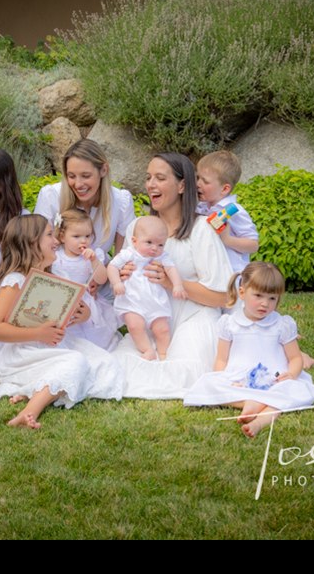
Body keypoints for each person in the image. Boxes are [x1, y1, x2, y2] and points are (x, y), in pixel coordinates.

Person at [0, 214, 124, 429]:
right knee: (75, 362)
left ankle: (34, 388)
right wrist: (38, 333)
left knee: (104, 362)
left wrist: (81, 314)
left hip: (53, 345)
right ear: (32, 243)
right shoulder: (15, 281)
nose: (56, 241)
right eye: (49, 235)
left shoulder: (51, 273)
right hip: (26, 352)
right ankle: (30, 411)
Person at [114, 153, 232, 399]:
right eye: (148, 178)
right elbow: (124, 270)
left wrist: (171, 283)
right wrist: (124, 275)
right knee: (123, 369)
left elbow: (223, 297)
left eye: (160, 178)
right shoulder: (137, 226)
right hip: (151, 319)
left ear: (181, 186)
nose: (151, 185)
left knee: (184, 372)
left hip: (193, 316)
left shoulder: (201, 229)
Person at [184, 261, 314, 438]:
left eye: (272, 298)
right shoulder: (230, 324)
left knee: (294, 390)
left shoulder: (281, 325)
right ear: (242, 292)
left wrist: (292, 375)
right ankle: (250, 402)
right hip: (238, 378)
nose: (265, 304)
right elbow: (222, 359)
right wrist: (223, 377)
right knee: (209, 385)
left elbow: (295, 358)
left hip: (273, 380)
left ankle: (259, 421)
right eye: (258, 296)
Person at [34, 138, 135, 255]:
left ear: (103, 170)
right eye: (71, 176)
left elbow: (124, 255)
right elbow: (38, 252)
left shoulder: (121, 202)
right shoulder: (51, 196)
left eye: (86, 176)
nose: (78, 184)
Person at [107, 216, 187, 360]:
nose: (155, 248)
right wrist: (117, 282)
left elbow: (171, 268)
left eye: (160, 245)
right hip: (132, 300)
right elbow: (112, 266)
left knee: (163, 329)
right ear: (134, 241)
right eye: (149, 242)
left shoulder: (161, 257)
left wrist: (177, 285)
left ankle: (163, 354)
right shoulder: (129, 254)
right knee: (134, 325)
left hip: (155, 301)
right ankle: (147, 349)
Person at [50, 208, 119, 351]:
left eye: (87, 236)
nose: (83, 240)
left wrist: (94, 261)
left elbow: (101, 279)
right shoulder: (56, 256)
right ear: (62, 237)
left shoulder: (92, 255)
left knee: (91, 338)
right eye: (76, 236)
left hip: (86, 301)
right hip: (63, 301)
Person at [196, 150, 259, 274]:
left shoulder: (233, 210)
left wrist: (227, 239)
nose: (198, 184)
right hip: (210, 273)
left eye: (205, 181)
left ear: (224, 189)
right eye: (197, 178)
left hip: (231, 276)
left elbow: (253, 245)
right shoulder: (201, 207)